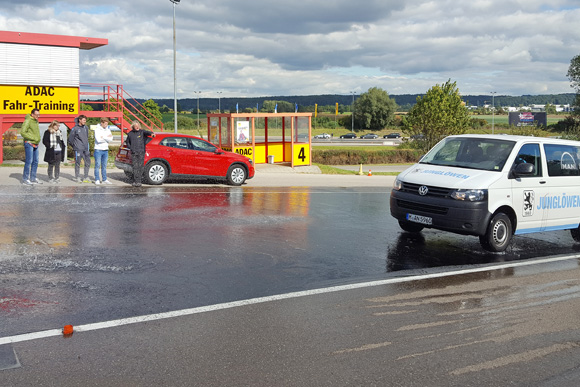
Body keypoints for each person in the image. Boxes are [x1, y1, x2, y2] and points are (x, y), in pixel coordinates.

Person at [125, 121, 155, 187]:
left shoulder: (142, 132)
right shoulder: (130, 134)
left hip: (141, 152)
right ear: (133, 127)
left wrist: (152, 133)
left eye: (138, 126)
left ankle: (139, 181)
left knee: (140, 167)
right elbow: (127, 142)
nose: (137, 127)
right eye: (136, 126)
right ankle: (135, 181)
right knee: (135, 167)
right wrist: (131, 148)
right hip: (134, 152)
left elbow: (147, 132)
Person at [21, 108, 43, 185]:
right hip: (29, 143)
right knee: (29, 161)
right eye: (36, 115)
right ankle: (25, 179)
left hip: (35, 144)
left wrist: (37, 139)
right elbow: (23, 132)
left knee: (35, 161)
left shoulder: (36, 121)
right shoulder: (28, 121)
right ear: (32, 114)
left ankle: (33, 178)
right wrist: (33, 138)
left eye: (39, 114)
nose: (38, 116)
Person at [68, 114, 91, 183]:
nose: (85, 121)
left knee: (87, 163)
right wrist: (75, 147)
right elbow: (70, 140)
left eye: (85, 120)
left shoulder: (86, 128)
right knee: (78, 163)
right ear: (80, 120)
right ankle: (77, 177)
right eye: (84, 120)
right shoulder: (75, 128)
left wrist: (86, 146)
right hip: (78, 149)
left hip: (86, 149)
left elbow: (86, 137)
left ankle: (86, 177)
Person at [93, 117, 114, 185]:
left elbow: (111, 139)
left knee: (104, 165)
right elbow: (98, 140)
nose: (106, 125)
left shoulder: (108, 129)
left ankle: (104, 179)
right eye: (105, 124)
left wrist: (103, 137)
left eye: (107, 124)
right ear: (101, 123)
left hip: (105, 150)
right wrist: (106, 137)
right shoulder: (97, 130)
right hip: (98, 150)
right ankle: (97, 179)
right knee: (97, 165)